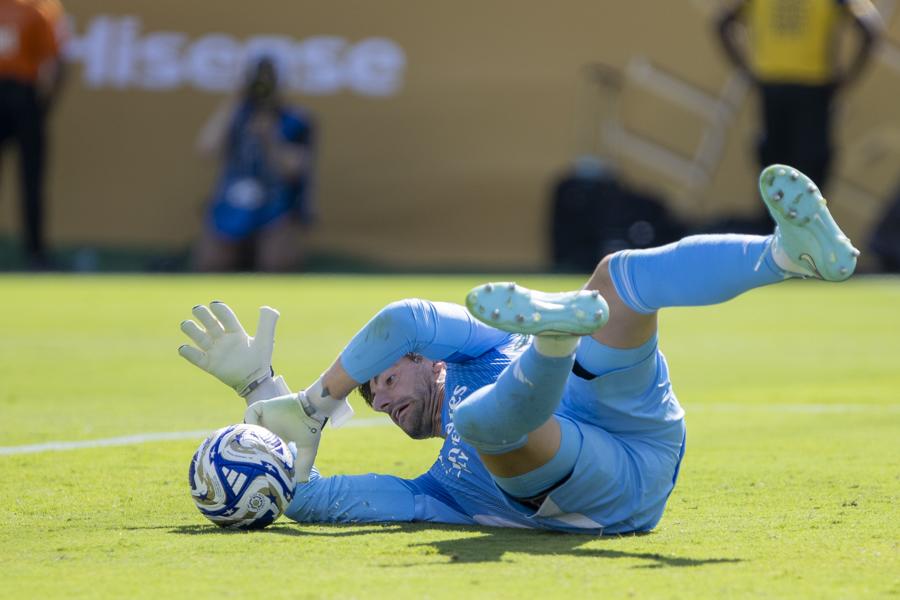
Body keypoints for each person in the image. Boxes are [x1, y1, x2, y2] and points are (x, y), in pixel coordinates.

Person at [179, 164, 859, 534]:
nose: (380, 400)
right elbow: (304, 499)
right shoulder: (434, 493)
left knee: (619, 277)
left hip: (642, 426)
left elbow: (405, 316)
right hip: (613, 492)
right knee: (482, 423)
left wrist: (314, 404)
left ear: (426, 359)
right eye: (372, 399)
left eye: (383, 380)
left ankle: (786, 254)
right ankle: (554, 343)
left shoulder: (478, 344)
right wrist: (259, 389)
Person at [715, 0, 882, 229]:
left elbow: (723, 23)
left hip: (777, 85)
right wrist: (847, 79)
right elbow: (869, 29)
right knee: (806, 168)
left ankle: (774, 233)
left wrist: (748, 72)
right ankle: (798, 233)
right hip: (811, 89)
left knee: (777, 168)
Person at [193, 56, 315, 272]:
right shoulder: (236, 116)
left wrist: (271, 139)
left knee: (276, 261)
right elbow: (206, 149)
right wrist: (233, 101)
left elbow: (294, 169)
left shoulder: (295, 119)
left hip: (276, 203)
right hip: (233, 199)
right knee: (212, 262)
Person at [0, 0, 66, 269]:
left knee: (32, 180)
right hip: (24, 96)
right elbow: (54, 64)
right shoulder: (38, 8)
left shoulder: (37, 9)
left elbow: (53, 60)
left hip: (22, 94)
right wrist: (43, 104)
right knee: (32, 180)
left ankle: (36, 252)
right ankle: (36, 254)